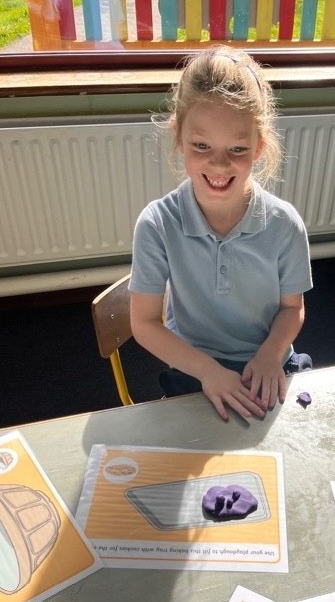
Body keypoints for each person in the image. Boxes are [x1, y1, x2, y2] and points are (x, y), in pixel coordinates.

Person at [129, 45, 313, 422]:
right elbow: (144, 323)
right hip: (196, 367)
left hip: (269, 361)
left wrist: (269, 355)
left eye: (238, 148)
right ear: (178, 137)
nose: (218, 164)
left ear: (259, 147)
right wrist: (209, 371)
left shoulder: (285, 224)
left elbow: (292, 308)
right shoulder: (157, 224)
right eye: (201, 145)